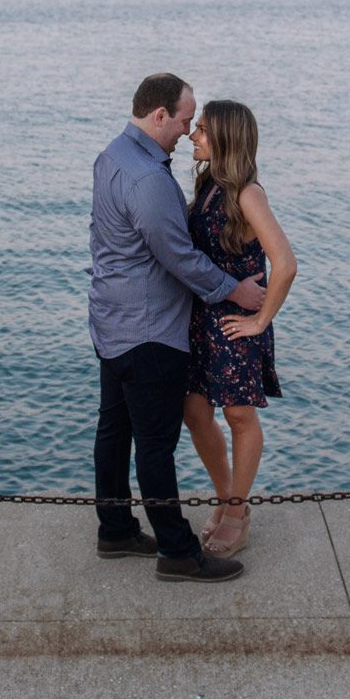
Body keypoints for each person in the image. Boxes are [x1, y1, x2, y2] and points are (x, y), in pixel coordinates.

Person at [89, 73, 264, 583]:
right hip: (148, 330)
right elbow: (180, 258)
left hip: (110, 320)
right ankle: (178, 551)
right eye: (187, 120)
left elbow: (102, 235)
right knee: (156, 444)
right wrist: (236, 291)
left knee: (114, 430)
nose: (189, 131)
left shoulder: (112, 156)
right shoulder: (148, 178)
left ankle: (116, 529)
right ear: (160, 115)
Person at [181, 100, 296, 558]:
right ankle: (230, 498)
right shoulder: (209, 184)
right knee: (193, 413)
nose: (193, 136)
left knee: (239, 417)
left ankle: (235, 509)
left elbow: (285, 264)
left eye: (203, 130)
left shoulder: (248, 193)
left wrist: (261, 320)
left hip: (234, 325)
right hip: (201, 320)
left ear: (226, 138)